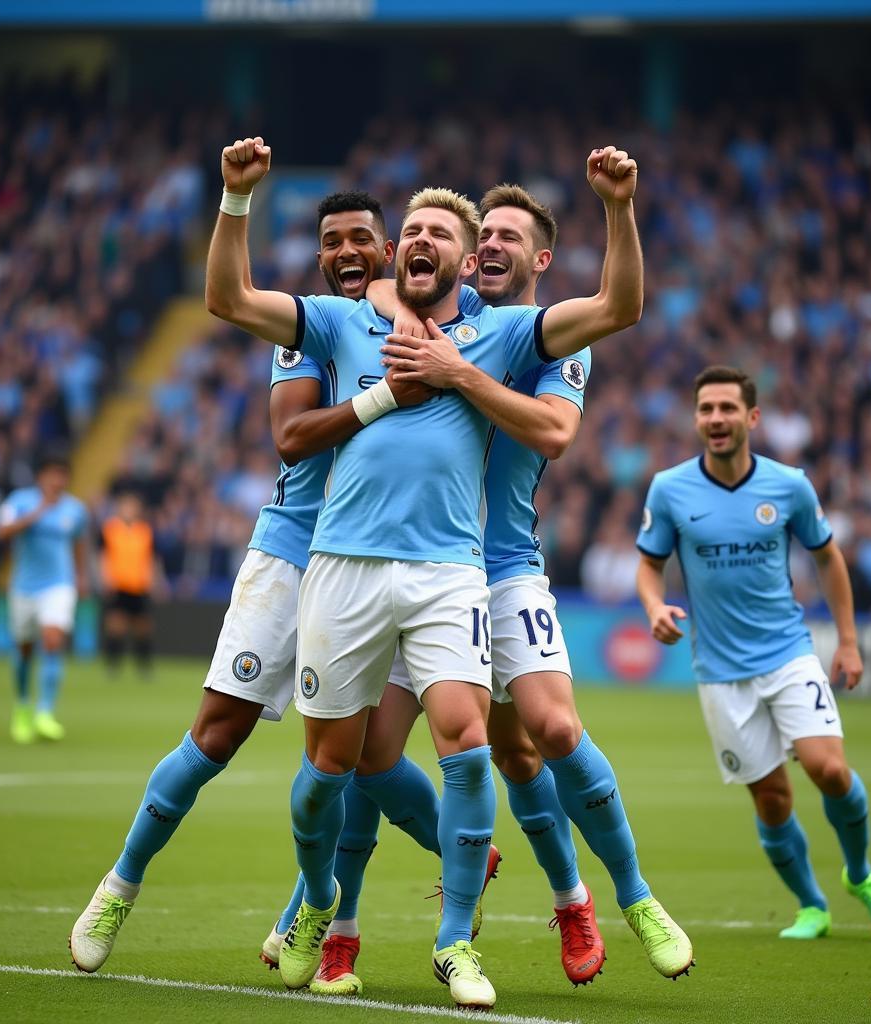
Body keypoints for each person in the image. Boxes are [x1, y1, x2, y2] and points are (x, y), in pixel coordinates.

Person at [205, 136, 642, 1009]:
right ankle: (323, 907)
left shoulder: (516, 335)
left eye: (450, 230)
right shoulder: (347, 319)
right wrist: (237, 200)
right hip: (345, 567)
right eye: (415, 227)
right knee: (346, 761)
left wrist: (619, 208)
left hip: (470, 567)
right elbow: (229, 300)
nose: (430, 239)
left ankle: (527, 920)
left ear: (487, 254)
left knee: (498, 740)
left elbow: (614, 315)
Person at [284, 181, 690, 997]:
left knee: (544, 733)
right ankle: (330, 920)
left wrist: (457, 371)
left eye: (510, 237)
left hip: (499, 568)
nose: (494, 247)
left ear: (537, 258)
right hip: (410, 562)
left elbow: (553, 431)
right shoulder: (429, 306)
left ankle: (610, 898)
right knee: (366, 752)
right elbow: (374, 282)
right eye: (487, 234)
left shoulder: (539, 343)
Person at [68, 191, 434, 973]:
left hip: (388, 562)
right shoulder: (311, 327)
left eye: (361, 239)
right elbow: (292, 437)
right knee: (217, 733)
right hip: (296, 553)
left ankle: (319, 906)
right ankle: (119, 885)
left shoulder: (433, 327)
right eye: (331, 240)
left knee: (363, 757)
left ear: (390, 249)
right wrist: (381, 397)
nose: (345, 251)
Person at [635, 365, 871, 942]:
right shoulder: (670, 489)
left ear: (751, 417)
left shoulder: (789, 486)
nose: (716, 419)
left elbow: (829, 558)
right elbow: (649, 566)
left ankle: (860, 874)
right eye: (706, 409)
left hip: (788, 653)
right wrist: (655, 607)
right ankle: (811, 904)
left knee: (829, 769)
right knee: (773, 798)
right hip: (719, 673)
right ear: (696, 418)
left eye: (727, 408)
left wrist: (850, 641)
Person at [0, 450, 89, 743]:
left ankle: (45, 712)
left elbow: (79, 543)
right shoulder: (20, 502)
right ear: (41, 476)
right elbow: (1, 532)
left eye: (62, 474)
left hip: (59, 585)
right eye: (52, 473)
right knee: (24, 650)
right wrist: (37, 514)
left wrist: (81, 574)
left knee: (52, 639)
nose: (57, 480)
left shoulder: (75, 509)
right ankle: (22, 705)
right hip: (24, 587)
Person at [100, 491, 157, 678]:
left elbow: (150, 558)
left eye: (133, 507)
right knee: (116, 626)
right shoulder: (110, 529)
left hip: (139, 585)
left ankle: (144, 667)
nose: (130, 510)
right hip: (118, 584)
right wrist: (105, 578)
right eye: (126, 506)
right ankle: (113, 666)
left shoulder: (144, 531)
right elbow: (103, 556)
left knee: (143, 627)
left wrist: (152, 579)